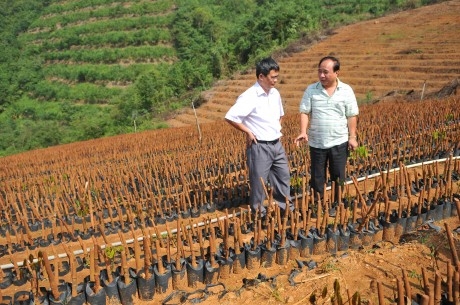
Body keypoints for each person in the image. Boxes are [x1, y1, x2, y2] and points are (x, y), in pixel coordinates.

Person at [225, 57, 291, 217]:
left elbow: (280, 115)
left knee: (283, 177)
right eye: (272, 77)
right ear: (261, 76)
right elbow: (231, 117)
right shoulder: (249, 96)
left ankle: (286, 210)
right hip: (259, 146)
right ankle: (259, 215)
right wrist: (248, 131)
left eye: (276, 76)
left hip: (276, 144)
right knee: (259, 183)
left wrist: (276, 129)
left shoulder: (275, 93)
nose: (275, 80)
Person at [294, 56, 359, 202]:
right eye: (320, 72)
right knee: (317, 177)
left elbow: (351, 115)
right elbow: (305, 111)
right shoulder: (311, 90)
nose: (322, 75)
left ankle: (337, 203)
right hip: (317, 143)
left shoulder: (346, 90)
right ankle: (318, 204)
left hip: (339, 141)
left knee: (338, 175)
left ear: (337, 73)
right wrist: (303, 131)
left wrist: (352, 137)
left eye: (326, 72)